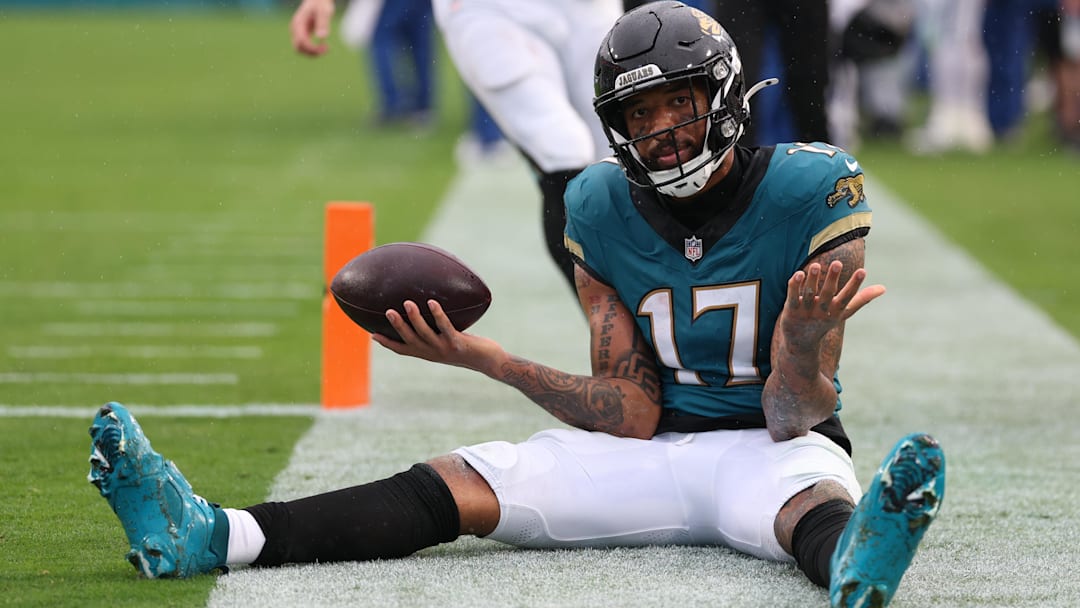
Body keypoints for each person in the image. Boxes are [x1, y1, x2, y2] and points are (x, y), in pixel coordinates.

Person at [92, 4, 946, 607]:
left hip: (774, 448)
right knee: (463, 482)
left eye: (677, 105)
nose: (663, 134)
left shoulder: (811, 186)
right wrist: (484, 358)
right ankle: (213, 533)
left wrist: (799, 339)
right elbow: (632, 409)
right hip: (644, 460)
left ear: (720, 95)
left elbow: (797, 412)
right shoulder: (599, 203)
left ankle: (855, 568)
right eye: (639, 117)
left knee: (812, 511)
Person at [291, 0, 623, 295]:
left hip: (588, 8)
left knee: (622, 150)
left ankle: (653, 318)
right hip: (493, 11)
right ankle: (613, 331)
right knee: (563, 149)